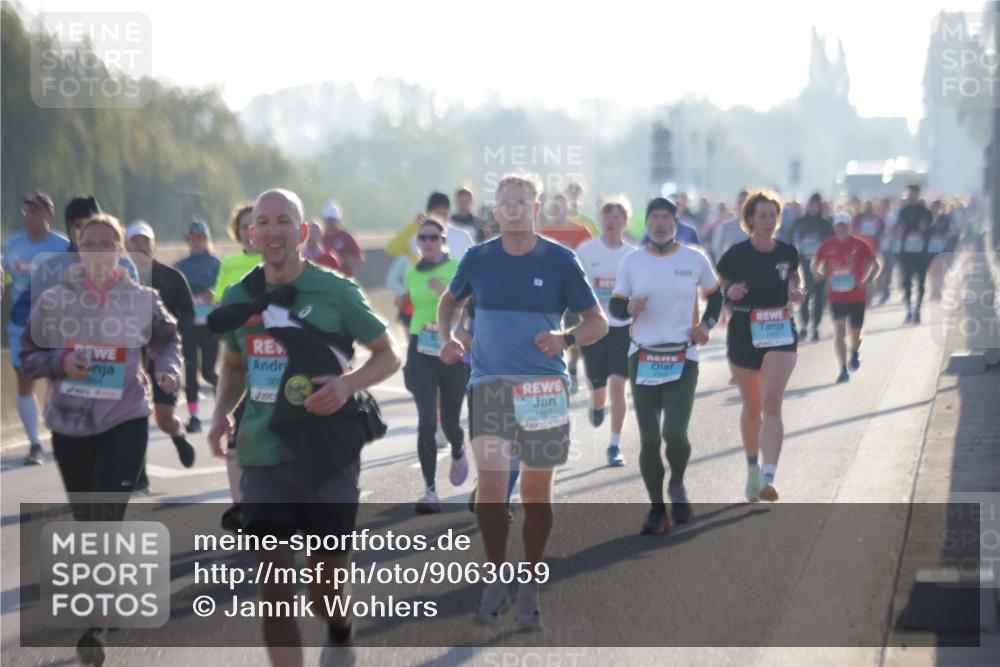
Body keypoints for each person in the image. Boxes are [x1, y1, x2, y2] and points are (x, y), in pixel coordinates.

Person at [208, 189, 399, 666]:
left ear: (303, 232)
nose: (273, 230)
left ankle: (339, 634)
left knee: (325, 584)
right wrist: (218, 415)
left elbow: (387, 353)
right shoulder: (240, 297)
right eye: (264, 222)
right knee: (273, 586)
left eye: (284, 221)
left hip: (327, 451)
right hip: (262, 451)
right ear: (252, 234)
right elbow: (232, 365)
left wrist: (347, 384)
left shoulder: (336, 292)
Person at [437, 173, 608, 631]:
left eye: (521, 201)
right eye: (505, 202)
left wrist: (565, 337)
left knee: (535, 492)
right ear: (495, 210)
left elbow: (599, 323)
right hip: (490, 382)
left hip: (543, 388)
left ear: (535, 208)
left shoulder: (560, 260)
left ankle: (530, 583)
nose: (512, 208)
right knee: (491, 489)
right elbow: (448, 303)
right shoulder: (478, 258)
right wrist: (450, 336)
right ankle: (496, 578)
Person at [20, 213, 182, 663]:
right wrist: (59, 363)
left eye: (106, 243)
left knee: (106, 510)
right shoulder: (54, 301)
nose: (98, 251)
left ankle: (97, 622)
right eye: (89, 244)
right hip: (71, 423)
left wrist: (168, 371)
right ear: (78, 248)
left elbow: (169, 339)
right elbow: (27, 356)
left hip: (126, 417)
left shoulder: (142, 298)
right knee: (89, 519)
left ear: (119, 251)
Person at [610, 197, 722, 533]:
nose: (659, 223)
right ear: (647, 222)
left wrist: (706, 326)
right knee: (647, 440)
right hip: (642, 355)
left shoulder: (694, 258)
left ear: (675, 221)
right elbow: (614, 309)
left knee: (674, 432)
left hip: (682, 356)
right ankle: (657, 508)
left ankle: (678, 483)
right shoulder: (632, 261)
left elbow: (715, 296)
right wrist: (629, 308)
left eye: (665, 217)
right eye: (654, 217)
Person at [716, 191, 804, 503]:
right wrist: (730, 290)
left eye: (772, 215)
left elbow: (795, 278)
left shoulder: (787, 252)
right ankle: (752, 469)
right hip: (742, 332)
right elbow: (715, 287)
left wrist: (796, 291)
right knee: (752, 407)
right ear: (750, 219)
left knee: (772, 404)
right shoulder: (735, 255)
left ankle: (769, 476)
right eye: (762, 215)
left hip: (779, 331)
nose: (768, 221)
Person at [124, 220, 198, 493]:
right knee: (136, 414)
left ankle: (179, 435)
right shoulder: (121, 278)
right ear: (126, 246)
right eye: (135, 241)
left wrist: (177, 341)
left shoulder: (172, 277)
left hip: (164, 357)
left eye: (146, 241)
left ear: (154, 246)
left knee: (164, 418)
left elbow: (188, 314)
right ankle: (140, 477)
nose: (141, 246)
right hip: (133, 357)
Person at [403, 217, 470, 512]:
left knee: (451, 423)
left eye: (433, 237)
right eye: (423, 238)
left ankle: (458, 448)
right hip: (420, 348)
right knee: (427, 420)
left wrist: (443, 288)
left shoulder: (456, 268)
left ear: (443, 241)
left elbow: (468, 305)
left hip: (451, 348)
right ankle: (430, 491)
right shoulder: (411, 272)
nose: (428, 242)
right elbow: (413, 310)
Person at [2, 191, 69, 465]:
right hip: (21, 323)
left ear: (48, 215)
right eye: (28, 210)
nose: (31, 215)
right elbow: (6, 281)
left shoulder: (63, 246)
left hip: (54, 322)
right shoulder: (12, 245)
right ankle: (34, 444)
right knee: (24, 378)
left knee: (56, 379)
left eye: (36, 210)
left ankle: (60, 432)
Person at [574, 196, 636, 466]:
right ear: (600, 221)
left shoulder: (633, 255)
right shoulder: (586, 251)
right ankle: (596, 405)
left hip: (623, 329)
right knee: (599, 391)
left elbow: (641, 287)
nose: (611, 222)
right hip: (594, 327)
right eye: (607, 216)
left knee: (618, 388)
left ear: (625, 222)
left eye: (617, 217)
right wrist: (588, 301)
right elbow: (575, 284)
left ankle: (614, 445)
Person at [212, 203, 262, 531]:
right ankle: (239, 504)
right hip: (240, 353)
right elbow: (220, 305)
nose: (249, 232)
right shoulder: (230, 265)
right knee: (235, 433)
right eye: (243, 227)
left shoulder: (276, 261)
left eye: (254, 225)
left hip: (273, 358)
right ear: (237, 232)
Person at [813, 211, 881, 383]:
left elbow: (875, 265)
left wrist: (868, 280)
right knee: (839, 331)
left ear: (849, 227)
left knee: (855, 334)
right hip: (836, 295)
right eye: (838, 226)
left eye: (844, 226)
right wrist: (816, 272)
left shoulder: (860, 245)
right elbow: (816, 262)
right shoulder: (827, 245)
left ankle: (855, 350)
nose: (841, 229)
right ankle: (843, 369)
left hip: (857, 295)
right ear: (834, 227)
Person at [539, 192, 594, 394]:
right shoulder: (543, 232)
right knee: (553, 331)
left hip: (574, 289)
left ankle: (572, 367)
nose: (558, 209)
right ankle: (557, 372)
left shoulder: (581, 230)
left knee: (574, 332)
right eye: (555, 205)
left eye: (562, 205)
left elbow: (590, 259)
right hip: (551, 291)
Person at [174, 220, 222, 432]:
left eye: (200, 238)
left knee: (209, 372)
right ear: (188, 240)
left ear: (206, 240)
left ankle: (225, 410)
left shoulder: (217, 264)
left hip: (210, 325)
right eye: (192, 238)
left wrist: (215, 294)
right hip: (189, 325)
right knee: (191, 371)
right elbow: (173, 295)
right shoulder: (180, 266)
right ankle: (194, 418)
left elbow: (227, 291)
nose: (196, 242)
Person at [788, 193, 833, 341]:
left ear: (820, 206)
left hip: (820, 267)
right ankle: (804, 325)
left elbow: (830, 247)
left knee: (819, 297)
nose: (813, 208)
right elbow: (789, 241)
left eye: (816, 205)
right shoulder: (799, 223)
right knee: (804, 296)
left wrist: (826, 266)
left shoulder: (825, 224)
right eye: (811, 204)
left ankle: (816, 327)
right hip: (802, 265)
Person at [897, 184, 933, 324]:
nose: (910, 195)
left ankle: (917, 309)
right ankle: (908, 310)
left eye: (913, 192)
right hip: (906, 253)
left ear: (918, 194)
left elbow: (930, 228)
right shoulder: (903, 211)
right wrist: (900, 230)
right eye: (908, 192)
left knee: (921, 283)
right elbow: (898, 229)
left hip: (921, 253)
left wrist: (924, 229)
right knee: (906, 282)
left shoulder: (925, 211)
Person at [321, 201, 365, 277]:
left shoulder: (346, 236)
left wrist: (343, 260)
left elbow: (359, 260)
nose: (330, 223)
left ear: (338, 220)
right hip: (324, 279)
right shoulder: (319, 236)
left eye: (333, 220)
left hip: (344, 279)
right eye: (328, 220)